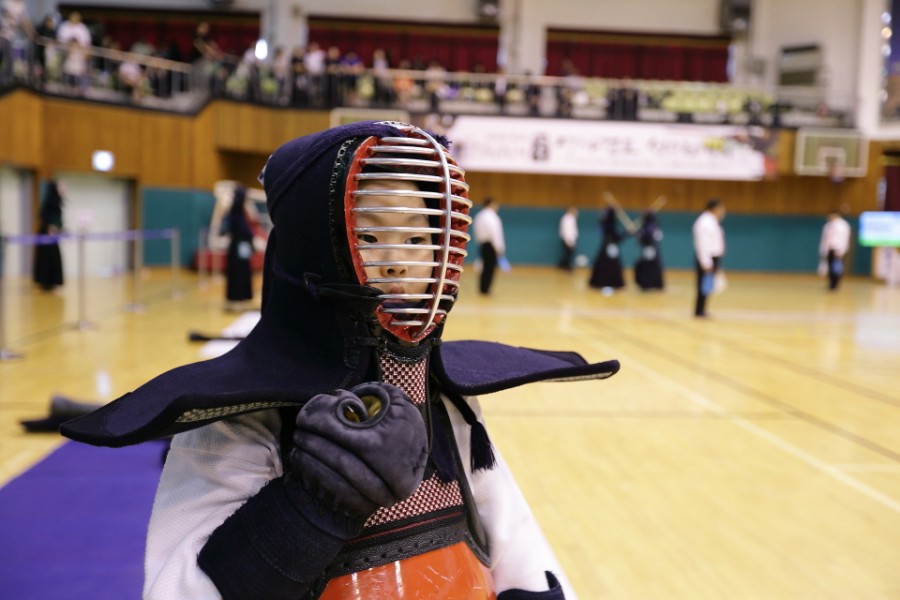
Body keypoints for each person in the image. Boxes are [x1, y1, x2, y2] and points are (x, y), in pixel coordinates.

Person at [61, 121, 621, 599]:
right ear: (316, 249)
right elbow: (181, 589)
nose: (399, 262)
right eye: (371, 238)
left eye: (417, 238)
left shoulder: (451, 403)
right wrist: (310, 504)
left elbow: (517, 547)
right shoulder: (243, 416)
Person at [692, 198, 726, 317]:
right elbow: (703, 244)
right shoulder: (705, 222)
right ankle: (699, 310)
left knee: (709, 285)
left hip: (713, 257)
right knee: (704, 284)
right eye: (721, 209)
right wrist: (706, 261)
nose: (723, 212)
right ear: (714, 208)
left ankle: (702, 309)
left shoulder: (712, 221)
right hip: (707, 258)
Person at [224, 184, 255, 309]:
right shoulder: (235, 212)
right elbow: (241, 230)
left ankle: (242, 297)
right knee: (238, 272)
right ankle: (237, 298)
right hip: (238, 246)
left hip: (241, 246)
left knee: (243, 271)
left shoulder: (240, 212)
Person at [32, 180, 65, 292]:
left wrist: (60, 228)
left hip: (52, 235)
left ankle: (50, 282)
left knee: (52, 258)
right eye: (61, 187)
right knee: (48, 258)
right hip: (48, 235)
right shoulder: (51, 202)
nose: (64, 189)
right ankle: (46, 282)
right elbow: (49, 219)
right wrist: (52, 227)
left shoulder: (57, 202)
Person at [473, 196, 506, 294]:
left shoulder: (479, 215)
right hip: (491, 245)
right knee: (489, 268)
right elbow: (495, 233)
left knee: (485, 267)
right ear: (491, 204)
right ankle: (486, 289)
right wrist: (498, 247)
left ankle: (483, 287)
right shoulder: (491, 216)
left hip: (483, 244)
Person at [588, 207, 625, 292]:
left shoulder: (605, 222)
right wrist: (625, 234)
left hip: (606, 247)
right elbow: (616, 236)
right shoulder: (610, 224)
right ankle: (610, 283)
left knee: (604, 265)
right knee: (611, 266)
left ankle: (599, 282)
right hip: (609, 246)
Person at [819, 208, 851, 290]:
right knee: (830, 267)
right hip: (829, 249)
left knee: (836, 268)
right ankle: (831, 283)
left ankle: (836, 284)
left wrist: (842, 250)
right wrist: (823, 249)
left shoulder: (843, 225)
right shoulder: (827, 226)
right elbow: (825, 239)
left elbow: (844, 239)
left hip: (837, 249)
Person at [633, 210, 664, 290]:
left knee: (645, 266)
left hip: (649, 249)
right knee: (651, 267)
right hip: (653, 250)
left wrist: (639, 235)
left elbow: (645, 238)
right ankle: (654, 284)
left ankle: (646, 284)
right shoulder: (654, 227)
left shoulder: (648, 228)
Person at [558, 206, 578, 271]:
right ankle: (566, 266)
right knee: (569, 254)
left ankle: (563, 264)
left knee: (568, 253)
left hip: (570, 239)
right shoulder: (567, 219)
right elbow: (567, 230)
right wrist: (568, 241)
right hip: (568, 239)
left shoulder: (572, 218)